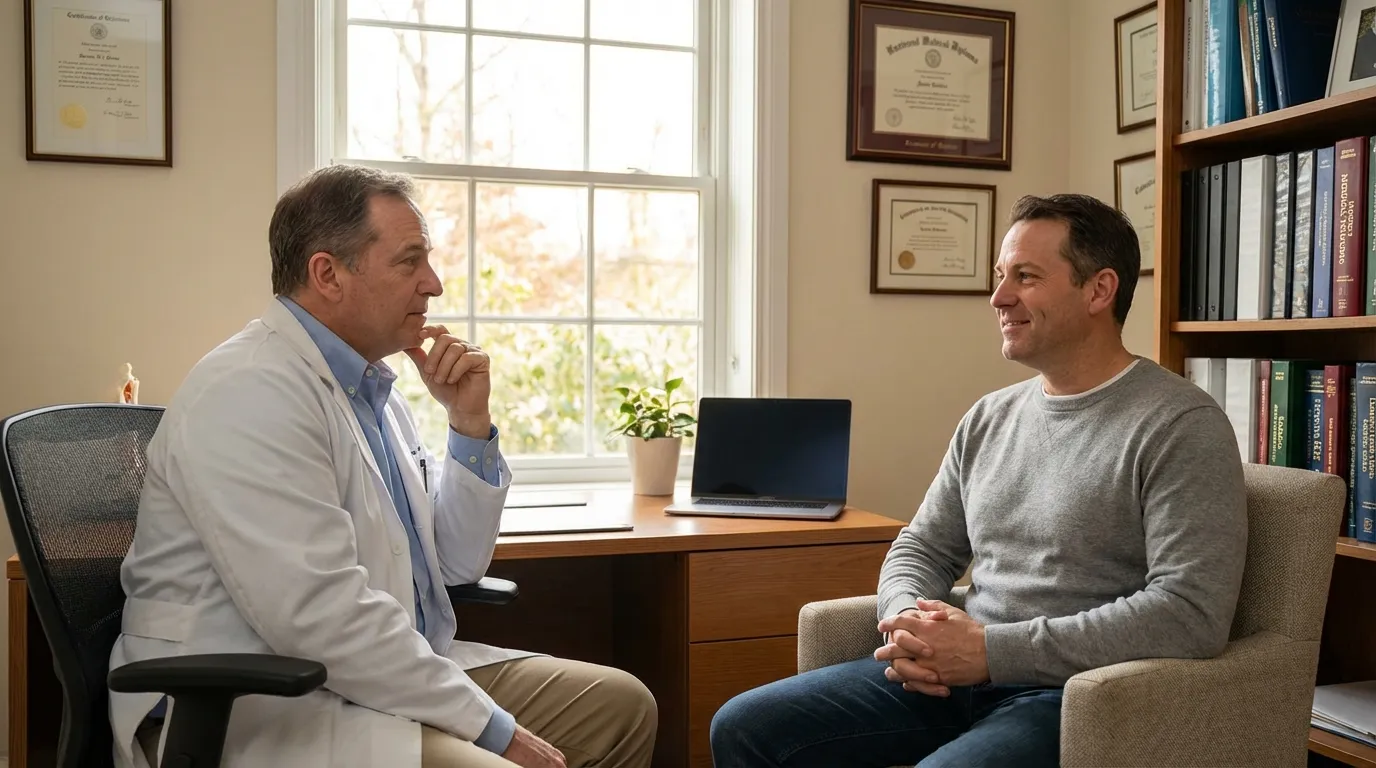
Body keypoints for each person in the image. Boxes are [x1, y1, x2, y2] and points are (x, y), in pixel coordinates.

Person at [107, 164, 657, 768]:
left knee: (621, 707)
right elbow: (319, 619)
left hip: (376, 675)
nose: (435, 284)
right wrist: (497, 731)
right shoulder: (250, 390)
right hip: (265, 700)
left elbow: (455, 563)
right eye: (409, 261)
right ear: (327, 274)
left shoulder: (374, 390)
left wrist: (469, 425)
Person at [709, 193, 1247, 767]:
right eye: (999, 276)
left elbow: (1189, 613)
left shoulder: (1181, 424)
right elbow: (922, 546)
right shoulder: (990, 416)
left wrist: (991, 652)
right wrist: (907, 619)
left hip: (1076, 693)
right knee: (743, 727)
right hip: (952, 678)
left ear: (1099, 290)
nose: (999, 297)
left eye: (1026, 277)